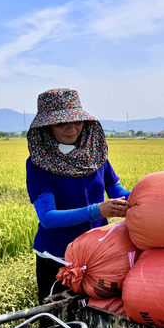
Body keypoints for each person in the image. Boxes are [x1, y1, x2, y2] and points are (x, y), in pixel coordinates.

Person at [26, 88, 131, 304]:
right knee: (57, 322)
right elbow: (48, 217)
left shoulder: (96, 156)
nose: (71, 128)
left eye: (77, 121)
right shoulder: (38, 164)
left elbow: (117, 191)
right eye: (61, 123)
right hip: (57, 257)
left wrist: (151, 193)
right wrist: (97, 210)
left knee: (95, 316)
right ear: (47, 127)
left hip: (98, 252)